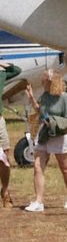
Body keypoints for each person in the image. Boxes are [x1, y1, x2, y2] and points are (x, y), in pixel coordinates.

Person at [24, 70, 67, 212]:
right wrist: (32, 98)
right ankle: (39, 201)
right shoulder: (45, 95)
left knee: (64, 167)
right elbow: (40, 110)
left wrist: (52, 122)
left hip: (58, 135)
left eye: (44, 80)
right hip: (44, 134)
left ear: (52, 81)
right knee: (37, 166)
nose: (42, 82)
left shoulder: (64, 97)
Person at [0, 60, 22, 207]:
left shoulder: (1, 74)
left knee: (5, 157)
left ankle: (5, 191)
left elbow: (17, 70)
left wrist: (3, 65)